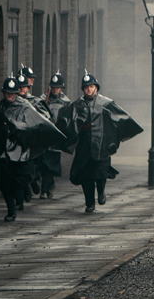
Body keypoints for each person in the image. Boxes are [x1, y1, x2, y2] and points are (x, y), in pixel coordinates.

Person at [0, 77, 64, 221]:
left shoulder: (25, 106)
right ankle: (11, 211)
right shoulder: (0, 108)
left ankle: (27, 186)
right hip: (4, 151)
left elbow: (38, 122)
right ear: (4, 93)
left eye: (12, 93)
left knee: (21, 178)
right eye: (7, 93)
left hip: (21, 150)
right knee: (4, 180)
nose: (10, 95)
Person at [57, 73, 143, 213]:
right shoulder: (77, 105)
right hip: (84, 146)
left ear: (96, 87)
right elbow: (67, 122)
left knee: (101, 172)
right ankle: (89, 203)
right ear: (83, 89)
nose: (89, 90)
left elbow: (120, 118)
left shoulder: (106, 103)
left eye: (91, 87)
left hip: (101, 144)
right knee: (86, 175)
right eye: (86, 87)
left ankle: (101, 191)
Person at [15, 71, 52, 202]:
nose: (21, 89)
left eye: (24, 87)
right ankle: (25, 189)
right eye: (19, 87)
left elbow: (45, 118)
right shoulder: (13, 103)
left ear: (28, 88)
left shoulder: (35, 102)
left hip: (32, 141)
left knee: (33, 165)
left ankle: (33, 181)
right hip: (17, 141)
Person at [36, 72, 71, 199]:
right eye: (53, 87)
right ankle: (47, 185)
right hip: (44, 136)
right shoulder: (42, 99)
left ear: (61, 88)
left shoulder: (66, 102)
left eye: (58, 87)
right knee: (42, 163)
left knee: (50, 165)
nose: (55, 89)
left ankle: (45, 190)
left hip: (56, 137)